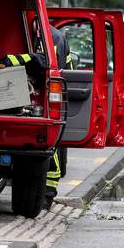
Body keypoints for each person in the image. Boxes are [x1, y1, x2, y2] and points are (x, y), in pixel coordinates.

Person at [45, 25, 74, 210]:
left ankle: (47, 193)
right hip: (51, 97)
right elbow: (69, 70)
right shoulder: (58, 36)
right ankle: (48, 195)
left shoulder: (23, 28)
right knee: (51, 144)